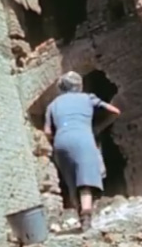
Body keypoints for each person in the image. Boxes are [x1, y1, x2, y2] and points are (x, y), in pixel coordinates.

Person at [44, 71, 121, 231]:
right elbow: (114, 111)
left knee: (72, 181)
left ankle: (79, 215)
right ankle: (86, 217)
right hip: (83, 137)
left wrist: (57, 140)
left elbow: (47, 132)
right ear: (79, 85)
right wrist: (99, 127)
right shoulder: (88, 98)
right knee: (85, 180)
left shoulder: (53, 104)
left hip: (61, 141)